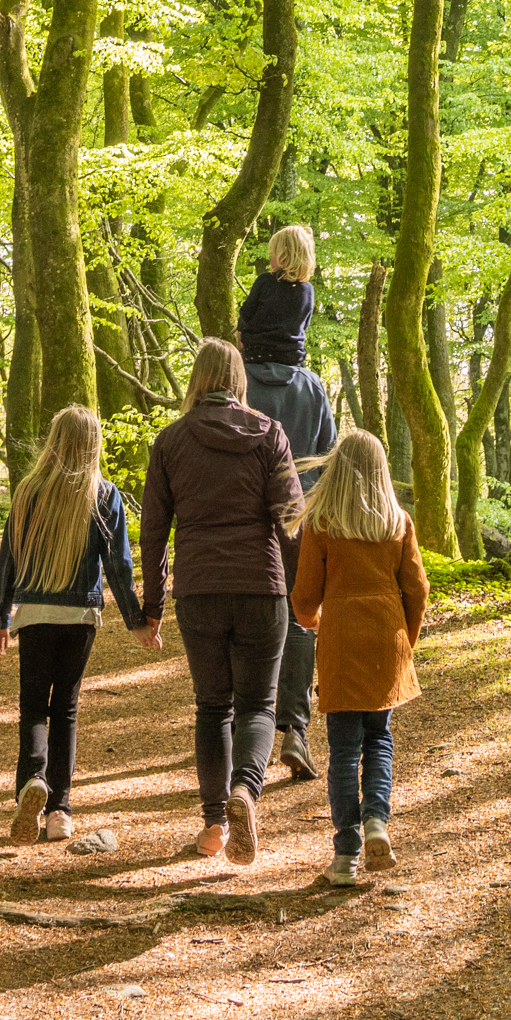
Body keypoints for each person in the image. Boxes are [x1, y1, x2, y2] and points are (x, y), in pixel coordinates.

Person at [136, 336, 299, 864]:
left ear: (197, 380)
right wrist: (303, 595)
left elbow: (154, 532)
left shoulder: (171, 440)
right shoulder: (269, 434)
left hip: (200, 589)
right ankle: (245, 791)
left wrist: (153, 606)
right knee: (258, 705)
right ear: (238, 380)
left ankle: (213, 826)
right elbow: (291, 522)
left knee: (212, 706)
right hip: (261, 587)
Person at [0, 405, 146, 844]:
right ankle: (60, 811)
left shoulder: (28, 491)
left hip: (35, 614)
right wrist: (136, 620)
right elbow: (118, 565)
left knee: (33, 707)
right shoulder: (104, 494)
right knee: (66, 710)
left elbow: (8, 559)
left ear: (54, 441)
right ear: (93, 445)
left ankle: (32, 783)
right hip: (80, 617)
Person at [289, 428, 428, 887]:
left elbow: (304, 599)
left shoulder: (322, 524)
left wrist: (314, 621)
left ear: (337, 470)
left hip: (342, 644)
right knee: (379, 739)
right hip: (386, 642)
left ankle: (346, 854)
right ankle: (377, 822)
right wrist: (405, 641)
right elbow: (417, 590)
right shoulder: (398, 523)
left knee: (344, 750)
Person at [237, 224, 336, 782]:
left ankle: (246, 725)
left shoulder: (237, 387)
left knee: (250, 612)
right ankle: (295, 726)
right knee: (301, 615)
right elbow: (326, 460)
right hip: (297, 519)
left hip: (245, 519)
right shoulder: (312, 389)